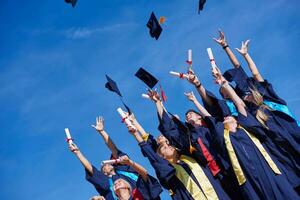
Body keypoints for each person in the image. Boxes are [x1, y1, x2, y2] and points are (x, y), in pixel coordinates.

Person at [184, 66, 299, 199]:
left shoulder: (247, 116)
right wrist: (198, 85)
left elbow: (240, 102)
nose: (225, 118)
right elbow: (211, 112)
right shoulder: (228, 131)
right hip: (253, 170)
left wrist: (225, 84)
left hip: (274, 155)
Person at [125, 110, 230, 200]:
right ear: (162, 157)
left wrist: (158, 103)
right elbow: (152, 155)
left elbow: (176, 136)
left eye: (168, 143)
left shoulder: (190, 156)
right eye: (165, 147)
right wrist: (135, 133)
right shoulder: (169, 174)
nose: (169, 146)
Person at [68, 116, 162, 200]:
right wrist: (78, 152)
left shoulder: (124, 168)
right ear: (103, 173)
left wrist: (102, 132)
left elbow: (114, 149)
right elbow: (90, 168)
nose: (106, 165)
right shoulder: (105, 183)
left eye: (108, 164)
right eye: (104, 167)